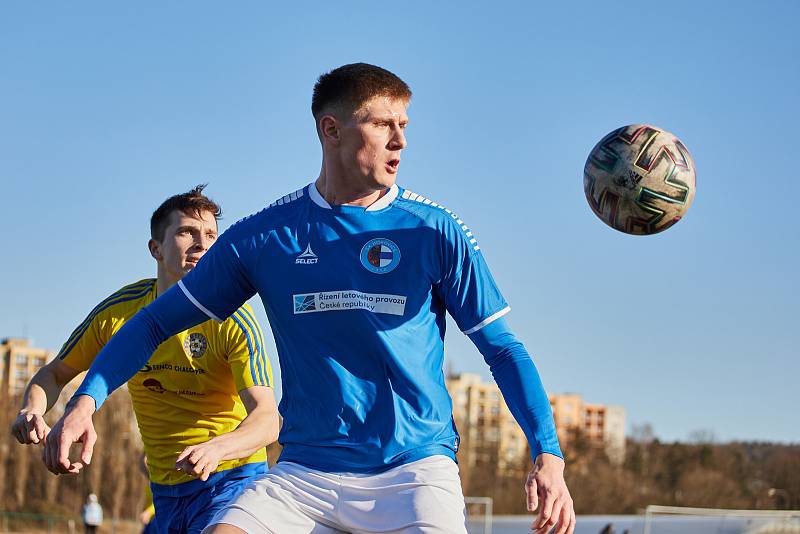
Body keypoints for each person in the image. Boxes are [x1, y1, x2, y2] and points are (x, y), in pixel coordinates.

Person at [44, 64, 575, 534]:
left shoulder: (433, 231)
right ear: (330, 129)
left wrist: (547, 453)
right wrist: (85, 401)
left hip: (413, 471)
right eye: (382, 124)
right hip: (305, 474)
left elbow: (503, 349)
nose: (400, 142)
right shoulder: (266, 237)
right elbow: (153, 324)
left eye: (405, 127)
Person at [12, 186, 279, 534]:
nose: (202, 244)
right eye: (187, 232)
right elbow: (54, 374)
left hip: (233, 480)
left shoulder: (234, 320)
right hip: (166, 491)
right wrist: (31, 410)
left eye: (211, 234)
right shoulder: (121, 313)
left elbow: (267, 418)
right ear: (155, 248)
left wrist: (219, 448)